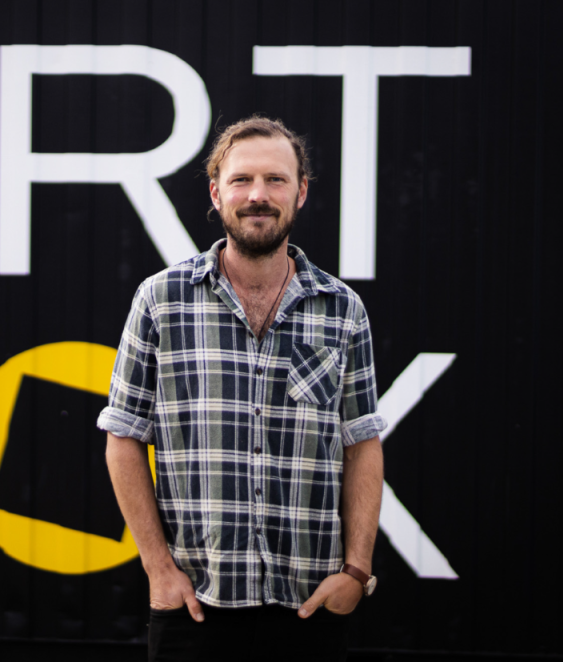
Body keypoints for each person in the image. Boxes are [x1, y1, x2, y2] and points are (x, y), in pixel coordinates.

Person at [97, 116, 387, 661]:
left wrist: (357, 570)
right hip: (196, 609)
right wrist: (159, 571)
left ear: (301, 192)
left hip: (310, 607)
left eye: (276, 180)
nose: (258, 195)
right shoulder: (161, 301)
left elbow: (361, 442)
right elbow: (123, 436)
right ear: (216, 192)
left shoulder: (343, 310)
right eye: (241, 180)